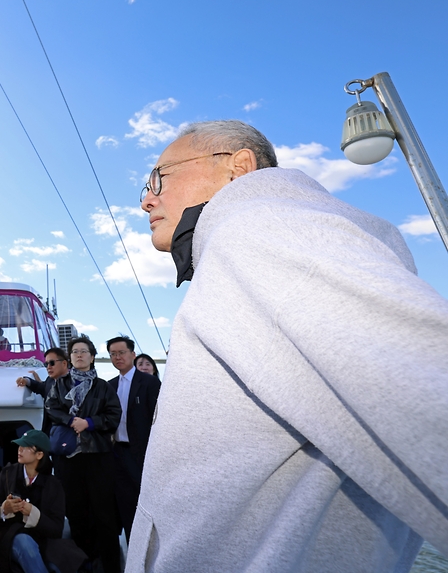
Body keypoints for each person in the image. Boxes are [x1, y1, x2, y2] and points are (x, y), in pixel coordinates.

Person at [131, 119, 448, 571]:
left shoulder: (259, 229)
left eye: (159, 177)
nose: (147, 199)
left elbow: (430, 395)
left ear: (238, 166)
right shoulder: (252, 239)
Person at [45, 337, 122, 573]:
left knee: (103, 513)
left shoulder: (103, 387)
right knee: (76, 512)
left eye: (83, 351)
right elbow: (51, 407)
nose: (79, 355)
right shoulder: (59, 385)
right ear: (70, 358)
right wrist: (71, 421)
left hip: (97, 455)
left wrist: (89, 422)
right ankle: (81, 564)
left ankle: (109, 565)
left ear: (92, 356)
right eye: (75, 352)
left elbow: (114, 415)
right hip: (68, 458)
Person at [106, 336, 160, 549]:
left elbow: (158, 419)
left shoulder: (149, 382)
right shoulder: (109, 386)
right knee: (126, 508)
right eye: (113, 354)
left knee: (147, 507)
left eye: (121, 353)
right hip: (117, 454)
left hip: (142, 455)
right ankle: (132, 555)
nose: (117, 357)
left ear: (132, 354)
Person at [0, 430, 71, 573]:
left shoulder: (54, 485)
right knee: (25, 544)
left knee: (59, 564)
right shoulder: (7, 473)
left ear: (39, 455)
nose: (20, 449)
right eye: (19, 445)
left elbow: (57, 528)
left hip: (43, 541)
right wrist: (4, 509)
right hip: (9, 537)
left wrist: (34, 514)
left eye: (26, 447)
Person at [16, 348, 71, 433]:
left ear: (64, 363)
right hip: (51, 434)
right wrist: (26, 381)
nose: (48, 367)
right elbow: (41, 388)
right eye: (46, 364)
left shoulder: (75, 384)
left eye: (52, 363)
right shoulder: (50, 380)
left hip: (68, 433)